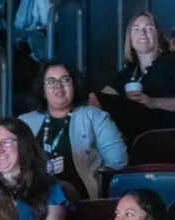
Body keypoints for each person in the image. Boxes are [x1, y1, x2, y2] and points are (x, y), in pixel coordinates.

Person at [20, 60, 127, 200]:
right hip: (33, 197)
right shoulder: (24, 122)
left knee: (58, 190)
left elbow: (118, 162)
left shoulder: (94, 116)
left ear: (74, 85)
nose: (58, 85)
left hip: (79, 198)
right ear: (43, 91)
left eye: (65, 80)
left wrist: (96, 174)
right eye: (51, 81)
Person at [93, 12, 175, 144]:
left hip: (165, 138)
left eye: (149, 28)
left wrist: (153, 102)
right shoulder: (129, 72)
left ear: (158, 35)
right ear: (130, 38)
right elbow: (104, 93)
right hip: (135, 143)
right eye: (136, 29)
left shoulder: (171, 62)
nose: (142, 33)